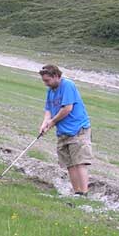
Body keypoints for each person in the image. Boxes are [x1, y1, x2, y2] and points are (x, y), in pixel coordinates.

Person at [39, 64, 93, 196]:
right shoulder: (50, 90)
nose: (46, 84)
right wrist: (44, 124)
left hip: (77, 129)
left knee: (79, 162)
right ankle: (77, 193)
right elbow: (48, 110)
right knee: (69, 164)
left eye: (47, 80)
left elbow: (67, 108)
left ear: (56, 76)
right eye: (44, 81)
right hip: (63, 132)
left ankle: (84, 193)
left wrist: (52, 122)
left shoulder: (67, 85)